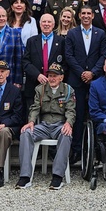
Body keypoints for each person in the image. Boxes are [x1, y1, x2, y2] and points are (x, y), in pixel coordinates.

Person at [16, 62, 76, 190]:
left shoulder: (68, 90)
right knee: (26, 133)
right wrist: (31, 121)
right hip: (44, 125)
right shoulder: (40, 89)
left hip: (59, 124)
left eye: (55, 76)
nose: (52, 78)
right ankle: (25, 176)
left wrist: (68, 123)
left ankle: (57, 176)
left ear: (61, 77)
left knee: (66, 134)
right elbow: (35, 107)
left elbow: (71, 110)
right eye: (50, 75)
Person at [64, 4, 106, 162]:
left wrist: (93, 73)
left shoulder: (100, 33)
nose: (86, 16)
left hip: (96, 81)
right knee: (77, 115)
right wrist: (81, 72)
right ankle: (76, 149)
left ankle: (97, 149)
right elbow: (68, 56)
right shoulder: (72, 33)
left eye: (89, 13)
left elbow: (104, 55)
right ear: (79, 16)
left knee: (96, 114)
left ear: (93, 16)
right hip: (77, 80)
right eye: (83, 13)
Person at [23, 12, 65, 107]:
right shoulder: (31, 41)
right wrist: (37, 75)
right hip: (34, 84)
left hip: (55, 85)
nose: (46, 24)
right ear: (40, 24)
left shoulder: (61, 41)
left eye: (49, 22)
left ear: (53, 25)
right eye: (44, 22)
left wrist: (55, 77)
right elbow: (25, 62)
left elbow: (65, 63)